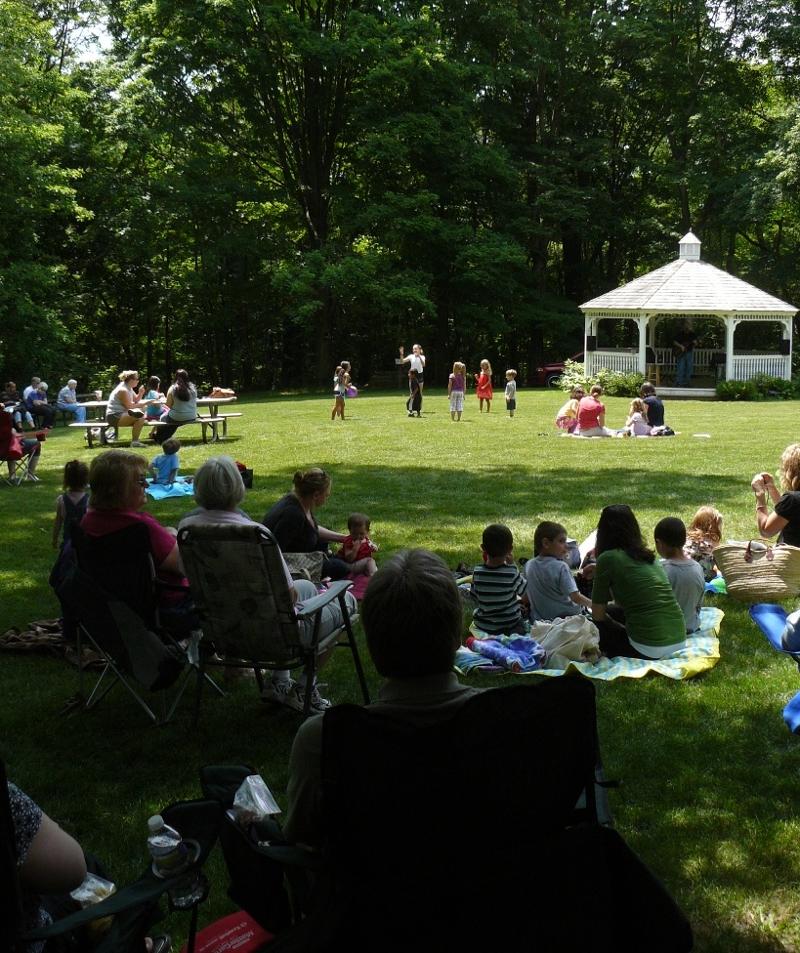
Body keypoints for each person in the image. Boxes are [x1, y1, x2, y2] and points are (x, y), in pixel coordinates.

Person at [284, 548, 482, 845]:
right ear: (457, 638)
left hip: (365, 889)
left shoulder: (322, 740)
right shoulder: (507, 719)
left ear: (373, 648)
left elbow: (299, 842)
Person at [180, 456, 354, 712]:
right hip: (274, 635)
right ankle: (305, 687)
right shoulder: (255, 536)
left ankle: (279, 684)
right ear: (238, 488)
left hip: (221, 630)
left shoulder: (187, 529)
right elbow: (289, 595)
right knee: (344, 599)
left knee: (308, 586)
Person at [80, 450, 191, 618]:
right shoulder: (140, 528)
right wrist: (174, 536)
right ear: (116, 488)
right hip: (165, 607)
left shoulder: (88, 521)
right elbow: (184, 566)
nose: (146, 485)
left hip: (110, 609)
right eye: (140, 480)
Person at [591, 504, 686, 659]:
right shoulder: (650, 557)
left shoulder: (607, 559)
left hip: (648, 649)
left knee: (594, 625)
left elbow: (598, 616)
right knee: (614, 611)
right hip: (679, 639)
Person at [262, 468, 350, 580]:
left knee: (332, 553)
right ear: (316, 495)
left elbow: (312, 529)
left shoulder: (300, 500)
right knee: (340, 567)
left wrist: (344, 538)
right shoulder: (293, 515)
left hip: (302, 555)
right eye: (326, 495)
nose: (327, 498)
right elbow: (275, 552)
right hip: (291, 566)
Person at [526, 521, 592, 622]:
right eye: (561, 541)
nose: (566, 546)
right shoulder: (561, 567)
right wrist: (594, 605)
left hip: (540, 622)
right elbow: (575, 597)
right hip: (568, 620)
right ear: (546, 543)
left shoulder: (529, 565)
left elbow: (527, 595)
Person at [471, 523, 528, 635]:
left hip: (484, 626)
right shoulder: (511, 572)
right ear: (510, 549)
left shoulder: (477, 572)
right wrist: (513, 565)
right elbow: (526, 596)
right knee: (523, 624)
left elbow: (474, 596)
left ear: (483, 548)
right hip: (510, 625)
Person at [654, 517, 705, 633]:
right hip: (690, 626)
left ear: (659, 543)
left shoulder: (660, 569)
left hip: (666, 630)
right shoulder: (698, 568)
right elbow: (698, 604)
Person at [752, 444, 800, 545]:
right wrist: (772, 488)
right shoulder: (793, 501)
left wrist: (759, 495)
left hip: (792, 559)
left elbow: (766, 531)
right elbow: (787, 512)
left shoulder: (792, 499)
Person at [52, 460, 90, 550]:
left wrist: (55, 539)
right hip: (85, 543)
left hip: (68, 544)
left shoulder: (62, 500)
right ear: (86, 479)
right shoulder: (89, 501)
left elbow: (58, 522)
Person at [155, 369, 197, 444]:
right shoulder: (193, 388)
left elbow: (168, 405)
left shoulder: (172, 388)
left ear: (175, 377)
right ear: (187, 377)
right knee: (174, 421)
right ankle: (162, 437)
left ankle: (159, 437)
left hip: (176, 417)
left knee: (163, 417)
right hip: (192, 416)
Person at [106, 370, 147, 446]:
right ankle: (135, 442)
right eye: (137, 379)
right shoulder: (123, 390)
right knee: (141, 417)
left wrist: (141, 393)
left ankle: (135, 441)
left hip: (122, 414)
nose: (138, 381)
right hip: (114, 416)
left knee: (141, 417)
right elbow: (129, 406)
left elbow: (136, 400)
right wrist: (144, 404)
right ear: (131, 380)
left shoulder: (128, 387)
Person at [0, 410, 42, 483]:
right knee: (37, 443)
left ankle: (12, 476)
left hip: (3, 450)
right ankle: (30, 475)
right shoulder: (5, 415)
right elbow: (14, 432)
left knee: (8, 443)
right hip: (9, 450)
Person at [685, 505, 723, 582]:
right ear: (713, 526)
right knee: (716, 574)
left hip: (681, 572)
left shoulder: (687, 539)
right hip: (699, 578)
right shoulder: (712, 544)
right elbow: (722, 566)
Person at [673, 322, 697, 386]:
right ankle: (679, 382)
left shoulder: (692, 334)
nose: (687, 328)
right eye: (685, 326)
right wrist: (681, 346)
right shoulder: (680, 334)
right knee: (680, 367)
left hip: (689, 352)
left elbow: (695, 343)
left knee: (689, 367)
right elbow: (674, 342)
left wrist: (695, 343)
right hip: (680, 353)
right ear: (683, 327)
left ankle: (687, 382)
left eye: (688, 326)